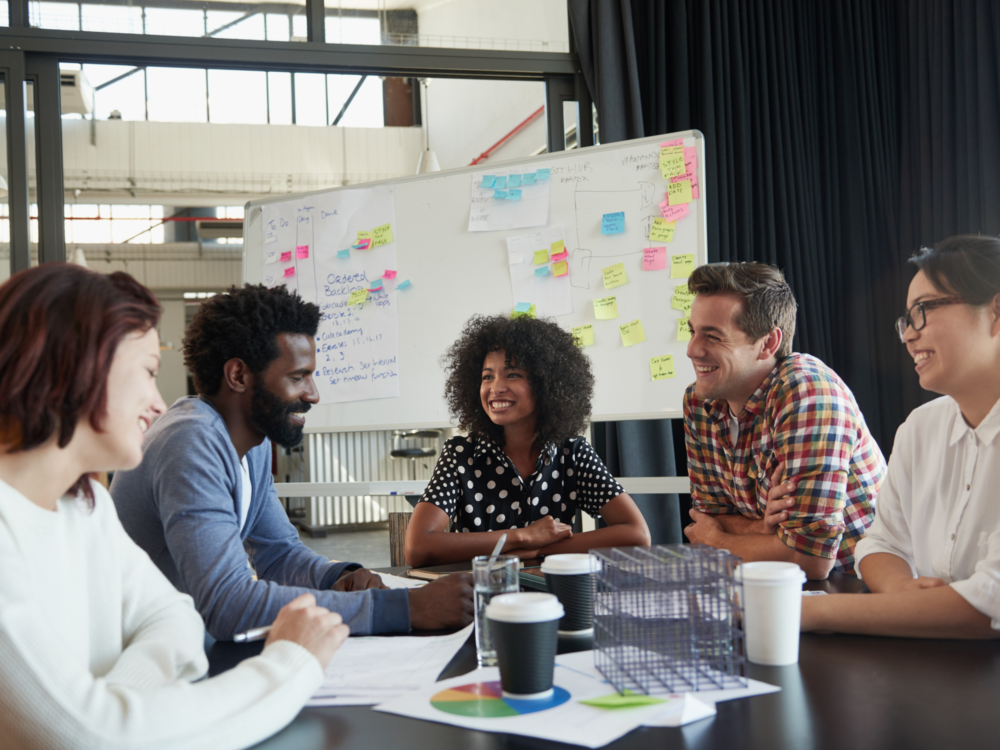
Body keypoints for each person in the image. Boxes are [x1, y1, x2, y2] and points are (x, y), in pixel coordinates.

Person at [0, 264, 349, 748]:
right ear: (74, 370)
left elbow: (177, 618)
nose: (157, 403)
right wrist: (291, 664)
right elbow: (88, 735)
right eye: (145, 372)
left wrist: (119, 704)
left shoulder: (88, 507)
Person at [111, 283, 471, 641]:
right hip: (141, 658)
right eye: (298, 377)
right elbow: (227, 605)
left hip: (179, 644)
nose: (313, 394)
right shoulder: (191, 441)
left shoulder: (252, 444)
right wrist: (406, 608)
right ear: (238, 376)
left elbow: (278, 553)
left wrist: (339, 577)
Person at [801, 236, 1000, 637]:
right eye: (906, 319)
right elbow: (879, 544)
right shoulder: (920, 427)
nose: (908, 335)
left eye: (923, 310)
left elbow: (987, 605)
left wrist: (802, 613)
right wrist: (905, 593)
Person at [682, 262, 885, 579]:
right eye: (692, 331)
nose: (692, 349)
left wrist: (719, 540)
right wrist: (765, 528)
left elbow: (810, 560)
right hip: (767, 583)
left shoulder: (809, 394)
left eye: (713, 336)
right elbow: (705, 519)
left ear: (768, 344)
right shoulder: (699, 401)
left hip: (856, 588)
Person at [404, 314, 650, 567]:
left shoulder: (572, 453)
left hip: (554, 598)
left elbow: (637, 534)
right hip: (480, 596)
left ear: (547, 384)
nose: (495, 387)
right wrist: (522, 536)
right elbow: (418, 548)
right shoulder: (461, 454)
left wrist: (538, 550)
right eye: (487, 376)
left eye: (512, 375)